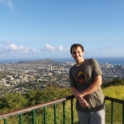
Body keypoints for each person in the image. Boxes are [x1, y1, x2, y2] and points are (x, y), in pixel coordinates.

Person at [69, 43, 105, 124]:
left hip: (96, 105)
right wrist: (80, 98)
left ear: (83, 52)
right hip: (81, 107)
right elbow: (73, 87)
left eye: (78, 51)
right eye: (74, 52)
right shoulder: (71, 70)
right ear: (71, 54)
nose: (77, 54)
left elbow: (99, 82)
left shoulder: (91, 62)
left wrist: (82, 94)